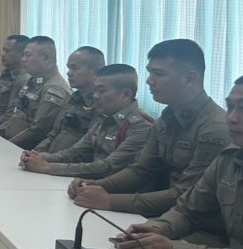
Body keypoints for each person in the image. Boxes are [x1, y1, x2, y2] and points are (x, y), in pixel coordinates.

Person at [69, 39, 229, 215]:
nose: (149, 81)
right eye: (150, 73)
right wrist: (95, 185)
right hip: (167, 214)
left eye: (158, 74)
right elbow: (141, 171)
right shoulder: (166, 120)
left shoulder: (213, 129)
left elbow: (187, 195)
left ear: (189, 79)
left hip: (193, 222)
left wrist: (110, 201)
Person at [113, 76, 243, 249]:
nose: (232, 118)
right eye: (230, 107)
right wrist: (157, 228)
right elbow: (188, 210)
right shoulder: (230, 158)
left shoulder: (214, 130)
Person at [20, 64, 153, 179]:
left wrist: (47, 167)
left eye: (101, 90)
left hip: (114, 193)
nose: (95, 96)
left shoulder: (140, 127)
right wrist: (37, 157)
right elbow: (75, 153)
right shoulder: (104, 117)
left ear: (125, 95)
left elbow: (107, 167)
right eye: (95, 90)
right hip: (91, 185)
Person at [0, 36, 71, 149]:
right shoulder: (32, 81)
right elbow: (16, 115)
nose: (23, 59)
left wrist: (6, 145)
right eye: (23, 55)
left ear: (46, 58)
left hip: (24, 149)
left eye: (28, 55)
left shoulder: (54, 89)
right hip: (9, 142)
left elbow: (38, 131)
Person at [31, 46, 105, 153]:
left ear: (95, 71)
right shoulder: (73, 98)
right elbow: (53, 136)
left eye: (75, 68)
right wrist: (34, 153)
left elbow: (87, 150)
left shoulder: (101, 104)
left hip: (69, 161)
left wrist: (45, 160)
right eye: (69, 68)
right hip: (50, 157)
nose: (69, 73)